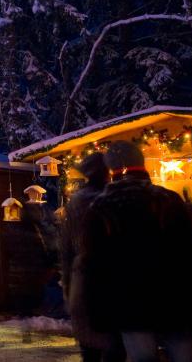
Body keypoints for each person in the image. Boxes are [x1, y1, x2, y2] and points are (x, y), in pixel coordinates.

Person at [81, 141, 192, 362]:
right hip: (174, 298)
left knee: (142, 357)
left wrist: (97, 312)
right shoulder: (168, 200)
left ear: (110, 170)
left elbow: (94, 265)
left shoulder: (100, 208)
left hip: (129, 302)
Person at [61, 152, 125, 362]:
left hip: (83, 275)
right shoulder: (114, 198)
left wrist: (68, 284)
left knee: (89, 345)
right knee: (114, 343)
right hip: (114, 275)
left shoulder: (76, 202)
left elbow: (66, 246)